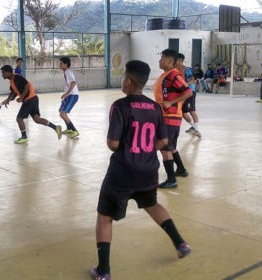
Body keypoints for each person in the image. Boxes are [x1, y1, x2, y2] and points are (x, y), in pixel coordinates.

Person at [90, 60, 191, 280]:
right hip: (148, 170)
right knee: (152, 204)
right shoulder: (155, 107)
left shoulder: (120, 106)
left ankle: (104, 271)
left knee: (105, 216)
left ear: (127, 81)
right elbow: (163, 141)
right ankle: (180, 243)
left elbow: (113, 144)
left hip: (122, 172)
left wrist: (130, 147)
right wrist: (145, 148)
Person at [153, 49, 192, 188]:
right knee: (170, 146)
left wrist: (170, 103)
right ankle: (181, 169)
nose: (160, 60)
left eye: (162, 58)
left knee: (165, 148)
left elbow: (188, 92)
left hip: (170, 116)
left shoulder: (174, 75)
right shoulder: (167, 74)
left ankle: (171, 179)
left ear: (169, 61)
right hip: (166, 116)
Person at [0, 65, 62, 144]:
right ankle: (56, 128)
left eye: (3, 73)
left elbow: (27, 85)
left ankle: (24, 137)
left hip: (29, 99)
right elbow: (13, 91)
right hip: (33, 98)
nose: (2, 74)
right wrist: (8, 99)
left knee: (19, 118)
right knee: (37, 119)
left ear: (9, 72)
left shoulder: (17, 77)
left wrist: (22, 98)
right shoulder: (12, 81)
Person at [176, 53, 201, 138]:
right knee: (182, 112)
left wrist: (184, 85)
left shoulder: (186, 69)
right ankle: (193, 127)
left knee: (192, 111)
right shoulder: (175, 70)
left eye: (176, 60)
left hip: (190, 92)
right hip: (182, 93)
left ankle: (197, 130)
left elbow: (192, 80)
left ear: (180, 60)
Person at [58, 56, 80, 138]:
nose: (59, 64)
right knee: (61, 111)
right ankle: (69, 129)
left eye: (61, 63)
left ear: (66, 64)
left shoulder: (68, 72)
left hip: (72, 95)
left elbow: (74, 83)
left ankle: (75, 131)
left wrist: (66, 94)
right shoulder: (66, 72)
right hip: (69, 95)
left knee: (63, 113)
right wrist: (66, 96)